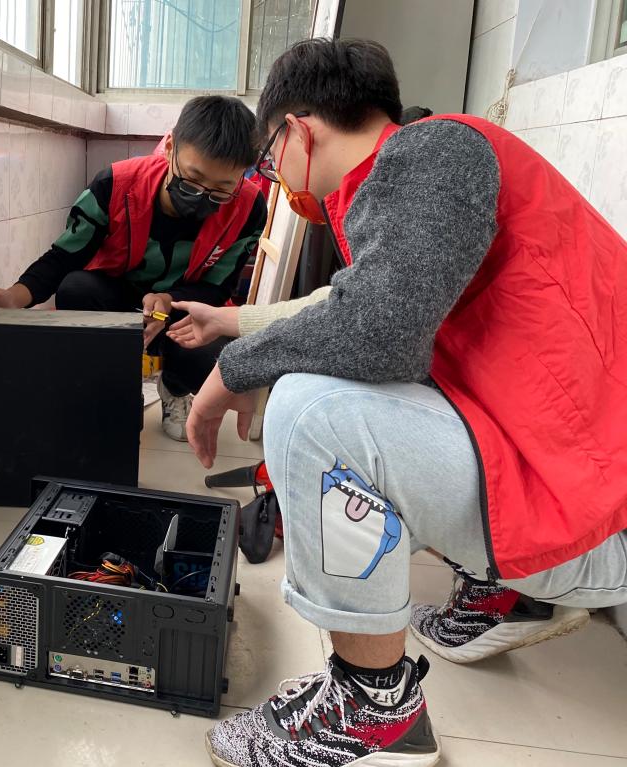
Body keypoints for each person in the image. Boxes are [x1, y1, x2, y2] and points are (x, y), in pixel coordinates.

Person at [174, 38, 627, 767]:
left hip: (598, 509)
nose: (275, 177)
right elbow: (347, 308)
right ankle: (509, 596)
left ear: (295, 131)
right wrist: (233, 329)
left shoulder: (435, 151)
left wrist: (230, 371)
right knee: (363, 384)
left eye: (268, 158)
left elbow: (376, 330)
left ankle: (372, 709)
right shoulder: (424, 168)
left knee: (310, 412)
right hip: (580, 477)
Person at [0, 95, 267, 440]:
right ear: (170, 147)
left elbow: (218, 289)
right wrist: (16, 296)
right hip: (114, 297)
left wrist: (168, 301)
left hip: (179, 309)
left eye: (221, 191)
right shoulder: (116, 184)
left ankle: (174, 388)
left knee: (213, 362)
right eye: (192, 180)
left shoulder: (249, 208)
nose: (202, 195)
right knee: (76, 288)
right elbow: (65, 256)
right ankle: (113, 384)